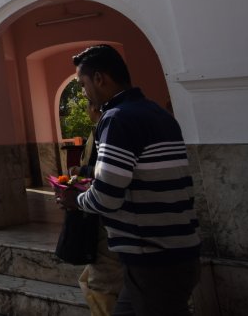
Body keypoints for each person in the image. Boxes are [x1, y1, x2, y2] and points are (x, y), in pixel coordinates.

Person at [56, 45, 200, 316]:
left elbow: (108, 196)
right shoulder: (157, 114)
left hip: (154, 257)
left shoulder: (117, 119)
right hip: (177, 250)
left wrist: (74, 199)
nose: (84, 93)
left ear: (100, 78)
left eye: (83, 84)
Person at [71, 99, 124, 316]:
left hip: (110, 222)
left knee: (103, 283)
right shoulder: (103, 128)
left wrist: (77, 199)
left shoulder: (111, 125)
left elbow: (108, 178)